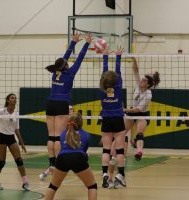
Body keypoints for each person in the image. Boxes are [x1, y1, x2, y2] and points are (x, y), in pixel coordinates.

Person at [41, 32, 93, 180]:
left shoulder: (55, 73)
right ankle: (57, 164)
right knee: (58, 136)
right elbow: (80, 59)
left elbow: (63, 59)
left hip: (50, 103)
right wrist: (87, 43)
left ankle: (51, 163)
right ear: (66, 66)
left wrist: (73, 43)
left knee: (51, 136)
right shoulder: (69, 74)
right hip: (62, 104)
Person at [44, 112, 97, 200]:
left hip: (62, 158)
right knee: (92, 186)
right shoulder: (86, 134)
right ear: (81, 123)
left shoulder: (62, 134)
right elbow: (84, 151)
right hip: (78, 158)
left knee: (53, 186)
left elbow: (63, 147)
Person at [0, 93, 30, 191]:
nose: (14, 99)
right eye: (12, 98)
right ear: (8, 100)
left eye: (15, 98)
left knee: (19, 160)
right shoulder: (2, 111)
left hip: (11, 138)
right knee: (2, 162)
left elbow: (17, 130)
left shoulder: (16, 113)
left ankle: (25, 182)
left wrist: (22, 143)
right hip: (1, 137)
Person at [100, 46, 126, 189]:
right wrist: (118, 57)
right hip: (118, 120)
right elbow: (118, 71)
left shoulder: (102, 88)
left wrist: (104, 56)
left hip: (106, 120)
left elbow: (105, 74)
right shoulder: (118, 87)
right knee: (120, 150)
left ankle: (104, 175)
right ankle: (120, 175)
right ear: (116, 81)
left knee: (106, 150)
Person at [124, 57, 160, 161]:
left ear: (147, 84)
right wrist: (134, 58)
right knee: (122, 131)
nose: (141, 80)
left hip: (141, 114)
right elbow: (135, 70)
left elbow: (137, 110)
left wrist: (124, 110)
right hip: (132, 112)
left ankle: (139, 152)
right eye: (142, 79)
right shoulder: (139, 85)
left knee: (140, 133)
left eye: (144, 80)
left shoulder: (148, 95)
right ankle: (121, 154)